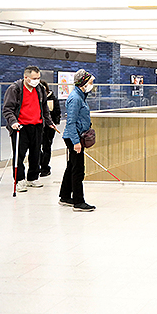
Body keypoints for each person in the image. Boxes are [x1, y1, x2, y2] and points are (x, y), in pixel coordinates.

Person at [2, 65, 55, 192]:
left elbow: (44, 108)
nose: (36, 80)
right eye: (34, 78)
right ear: (25, 77)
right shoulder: (15, 89)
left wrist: (49, 122)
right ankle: (19, 180)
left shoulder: (40, 89)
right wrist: (13, 122)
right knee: (19, 155)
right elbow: (7, 109)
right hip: (20, 127)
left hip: (37, 126)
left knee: (36, 153)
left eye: (38, 78)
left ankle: (32, 178)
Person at [60, 69, 96, 211]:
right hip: (74, 137)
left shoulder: (80, 96)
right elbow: (71, 122)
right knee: (78, 170)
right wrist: (76, 142)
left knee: (71, 167)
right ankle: (78, 201)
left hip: (75, 136)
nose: (91, 85)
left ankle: (65, 196)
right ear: (83, 83)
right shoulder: (75, 98)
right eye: (90, 82)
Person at [38, 80, 61, 178]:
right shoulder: (35, 99)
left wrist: (54, 122)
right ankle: (39, 165)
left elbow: (57, 111)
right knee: (37, 147)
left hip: (49, 127)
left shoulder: (52, 99)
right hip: (38, 126)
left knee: (47, 146)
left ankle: (45, 168)